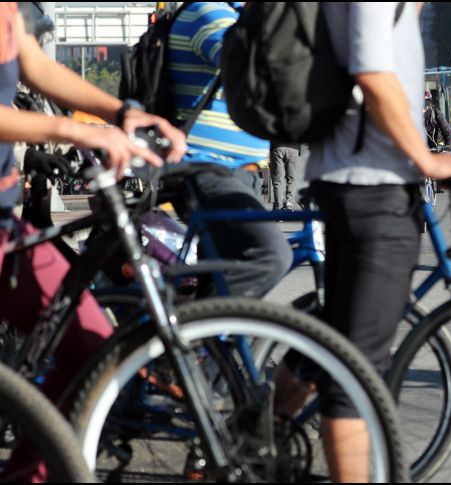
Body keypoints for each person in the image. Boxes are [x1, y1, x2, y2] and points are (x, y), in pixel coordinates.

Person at [0, 2, 186, 477]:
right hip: (22, 214)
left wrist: (122, 113)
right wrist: (72, 131)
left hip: (10, 219)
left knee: (89, 346)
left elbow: (36, 65)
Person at [293, 3, 451, 481]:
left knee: (335, 334)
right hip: (371, 187)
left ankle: (261, 429)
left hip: (365, 182)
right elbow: (371, 73)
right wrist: (426, 161)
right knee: (358, 371)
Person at [168, 2, 293, 298]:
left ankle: (209, 337)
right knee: (272, 255)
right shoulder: (209, 12)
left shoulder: (235, 15)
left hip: (230, 172)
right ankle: (199, 330)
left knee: (222, 275)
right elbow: (251, 67)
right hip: (207, 169)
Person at [269, 142, 307, 211]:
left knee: (277, 181)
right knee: (291, 179)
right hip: (294, 148)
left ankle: (278, 208)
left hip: (277, 147)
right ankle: (289, 204)